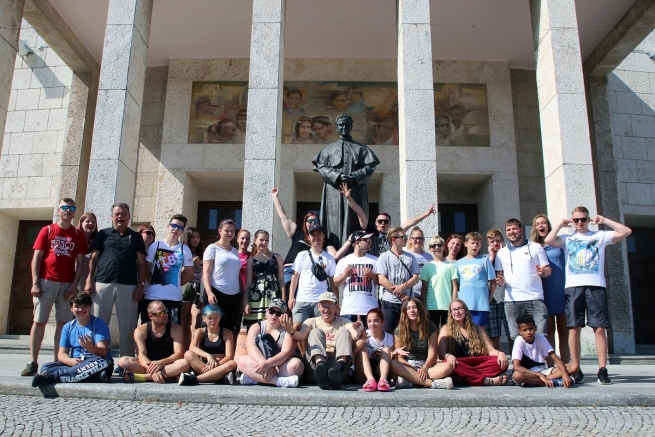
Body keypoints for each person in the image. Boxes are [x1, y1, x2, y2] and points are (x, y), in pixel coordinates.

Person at [544, 206, 632, 385]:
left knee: (599, 329)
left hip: (596, 286)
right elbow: (548, 239)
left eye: (583, 219)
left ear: (588, 219)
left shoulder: (599, 236)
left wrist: (604, 220)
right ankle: (576, 367)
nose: (579, 223)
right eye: (576, 220)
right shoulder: (568, 238)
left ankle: (602, 369)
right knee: (574, 329)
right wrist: (561, 224)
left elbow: (626, 231)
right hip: (573, 287)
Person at [23, 199, 88, 377]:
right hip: (46, 282)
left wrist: (75, 285)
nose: (68, 211)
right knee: (39, 321)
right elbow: (37, 258)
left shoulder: (77, 234)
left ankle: (57, 361)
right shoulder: (48, 230)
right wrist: (35, 282)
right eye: (65, 208)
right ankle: (33, 362)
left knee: (64, 323)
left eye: (72, 208)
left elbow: (81, 263)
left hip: (68, 285)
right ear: (58, 210)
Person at [86, 203, 147, 358]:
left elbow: (141, 263)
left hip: (129, 285)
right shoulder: (103, 234)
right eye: (117, 214)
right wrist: (89, 280)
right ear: (112, 216)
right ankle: (97, 359)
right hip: (102, 284)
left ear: (129, 216)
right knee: (99, 323)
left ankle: (126, 362)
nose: (120, 217)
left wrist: (141, 285)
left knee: (128, 326)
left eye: (124, 214)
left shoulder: (136, 237)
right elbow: (93, 259)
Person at [313, 113, 380, 247]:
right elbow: (321, 167)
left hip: (356, 190)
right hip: (334, 191)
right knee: (334, 222)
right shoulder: (328, 150)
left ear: (351, 126)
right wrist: (336, 176)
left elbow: (370, 166)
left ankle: (356, 249)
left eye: (347, 125)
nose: (344, 128)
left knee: (355, 219)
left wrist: (355, 176)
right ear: (337, 127)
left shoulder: (361, 149)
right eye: (341, 125)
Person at [281, 292, 364, 390]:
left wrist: (359, 328)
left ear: (336, 307)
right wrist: (290, 330)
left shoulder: (344, 322)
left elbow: (355, 335)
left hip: (337, 363)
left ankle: (338, 370)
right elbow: (300, 336)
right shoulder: (311, 321)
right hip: (315, 366)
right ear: (318, 307)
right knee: (315, 331)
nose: (326, 309)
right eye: (323, 306)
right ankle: (321, 367)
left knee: (344, 332)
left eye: (330, 306)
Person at [31, 292, 113, 387]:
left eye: (84, 306)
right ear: (71, 308)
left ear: (90, 307)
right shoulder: (68, 327)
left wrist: (90, 347)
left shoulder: (99, 324)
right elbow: (61, 353)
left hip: (96, 361)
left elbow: (103, 352)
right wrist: (69, 361)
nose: (80, 309)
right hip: (76, 363)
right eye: (77, 306)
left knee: (102, 364)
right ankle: (91, 376)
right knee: (46, 367)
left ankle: (53, 377)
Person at [271, 188, 338, 295]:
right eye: (309, 221)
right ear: (305, 223)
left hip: (309, 272)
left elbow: (334, 255)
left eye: (315, 221)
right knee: (289, 300)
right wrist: (275, 197)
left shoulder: (322, 239)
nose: (312, 223)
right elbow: (283, 216)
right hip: (290, 269)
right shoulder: (298, 232)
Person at [494, 219, 551, 343]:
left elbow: (547, 269)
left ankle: (541, 362)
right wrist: (501, 280)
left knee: (540, 336)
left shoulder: (535, 247)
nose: (511, 232)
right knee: (517, 338)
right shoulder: (501, 253)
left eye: (514, 229)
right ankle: (521, 363)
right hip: (512, 301)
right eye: (508, 230)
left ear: (520, 229)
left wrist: (543, 272)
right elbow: (500, 274)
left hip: (535, 298)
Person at [438, 299, 509, 386]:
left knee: (500, 362)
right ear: (450, 313)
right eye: (454, 309)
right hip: (459, 363)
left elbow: (490, 350)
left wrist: (500, 353)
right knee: (448, 363)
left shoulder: (477, 328)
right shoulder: (446, 329)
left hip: (476, 362)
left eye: (460, 308)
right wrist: (448, 356)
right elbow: (441, 354)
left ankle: (467, 378)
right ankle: (487, 381)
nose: (457, 312)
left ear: (465, 311)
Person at [118, 300, 189, 383]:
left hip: (168, 364)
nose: (165, 315)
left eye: (166, 311)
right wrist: (153, 369)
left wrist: (161, 363)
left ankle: (144, 377)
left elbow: (179, 354)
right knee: (123, 361)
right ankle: (169, 377)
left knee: (184, 363)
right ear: (151, 316)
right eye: (160, 313)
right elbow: (141, 355)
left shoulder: (175, 328)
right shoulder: (141, 330)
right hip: (147, 365)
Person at [237, 299, 304, 388]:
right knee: (242, 362)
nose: (274, 316)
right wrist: (264, 363)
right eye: (271, 311)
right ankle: (278, 381)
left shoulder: (288, 330)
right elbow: (251, 347)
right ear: (267, 311)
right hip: (260, 363)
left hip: (279, 365)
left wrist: (268, 364)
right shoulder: (257, 326)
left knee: (297, 365)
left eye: (278, 313)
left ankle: (255, 379)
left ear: (284, 316)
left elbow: (286, 353)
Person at [531, 214, 569, 364]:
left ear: (548, 225)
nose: (541, 226)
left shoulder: (558, 242)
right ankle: (551, 365)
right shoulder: (533, 247)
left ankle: (566, 366)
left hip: (561, 289)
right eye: (538, 223)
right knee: (548, 331)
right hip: (543, 291)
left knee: (564, 330)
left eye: (544, 223)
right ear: (535, 228)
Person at [390, 299, 454, 389]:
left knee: (448, 366)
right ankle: (433, 384)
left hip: (426, 366)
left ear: (420, 309)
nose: (412, 310)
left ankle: (410, 381)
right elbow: (400, 358)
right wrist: (413, 370)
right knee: (393, 363)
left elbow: (432, 352)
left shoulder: (430, 326)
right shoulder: (399, 330)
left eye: (415, 307)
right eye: (408, 308)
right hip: (408, 366)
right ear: (405, 312)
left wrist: (424, 368)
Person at [143, 214, 194, 325]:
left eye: (179, 227)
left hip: (174, 298)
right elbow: (146, 268)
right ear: (168, 227)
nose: (176, 229)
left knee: (172, 330)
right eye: (173, 225)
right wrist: (151, 281)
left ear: (183, 231)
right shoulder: (155, 245)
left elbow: (189, 272)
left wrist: (177, 281)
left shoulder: (185, 249)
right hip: (152, 296)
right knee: (149, 330)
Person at [289, 224, 338, 335]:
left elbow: (333, 283)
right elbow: (295, 276)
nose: (316, 237)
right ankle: (302, 353)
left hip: (321, 300)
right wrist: (291, 297)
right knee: (297, 327)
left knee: (319, 330)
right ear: (309, 237)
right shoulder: (301, 255)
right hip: (302, 298)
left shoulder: (329, 258)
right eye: (313, 235)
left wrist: (336, 302)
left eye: (319, 234)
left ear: (323, 236)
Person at [202, 219, 243, 347]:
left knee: (229, 328)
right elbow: (206, 272)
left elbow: (237, 275)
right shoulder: (212, 248)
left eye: (232, 231)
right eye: (226, 230)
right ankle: (208, 357)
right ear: (220, 231)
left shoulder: (235, 251)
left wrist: (241, 297)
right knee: (213, 327)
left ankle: (226, 359)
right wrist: (209, 292)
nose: (230, 233)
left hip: (234, 295)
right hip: (216, 292)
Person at [511, 313, 579, 388]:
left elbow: (556, 359)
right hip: (529, 373)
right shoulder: (519, 341)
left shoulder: (540, 338)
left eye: (531, 329)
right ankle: (554, 382)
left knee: (574, 366)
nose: (529, 332)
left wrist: (564, 374)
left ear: (535, 328)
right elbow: (516, 367)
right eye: (525, 330)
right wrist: (539, 375)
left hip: (544, 372)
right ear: (520, 331)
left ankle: (542, 381)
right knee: (517, 375)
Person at [178, 305, 237, 385]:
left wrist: (215, 366)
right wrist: (209, 356)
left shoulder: (227, 333)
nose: (213, 321)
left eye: (215, 318)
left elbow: (229, 356)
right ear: (204, 319)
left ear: (220, 318)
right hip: (204, 365)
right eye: (209, 318)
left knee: (232, 363)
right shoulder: (200, 331)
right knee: (188, 354)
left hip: (220, 365)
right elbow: (192, 347)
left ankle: (195, 379)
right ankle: (218, 378)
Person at [377, 227, 419, 333]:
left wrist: (403, 286)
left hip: (408, 302)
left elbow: (415, 278)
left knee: (408, 332)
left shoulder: (411, 257)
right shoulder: (384, 257)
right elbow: (381, 279)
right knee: (388, 332)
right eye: (403, 237)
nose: (406, 239)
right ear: (393, 239)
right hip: (389, 302)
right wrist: (401, 294)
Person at [334, 230, 378, 326]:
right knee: (349, 338)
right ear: (357, 242)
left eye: (370, 240)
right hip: (349, 309)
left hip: (370, 308)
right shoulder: (344, 261)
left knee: (369, 339)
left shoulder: (375, 260)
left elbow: (380, 281)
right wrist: (345, 274)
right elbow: (336, 283)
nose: (370, 242)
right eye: (366, 240)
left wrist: (372, 275)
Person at [243, 230, 285, 328]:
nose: (264, 243)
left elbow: (281, 280)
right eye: (261, 240)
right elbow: (249, 283)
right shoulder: (251, 260)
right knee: (254, 327)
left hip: (273, 296)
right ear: (255, 240)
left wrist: (283, 300)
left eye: (266, 240)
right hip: (256, 297)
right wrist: (245, 302)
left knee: (272, 326)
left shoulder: (276, 257)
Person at [455, 232, 496, 328]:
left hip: (480, 304)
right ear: (466, 244)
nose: (475, 246)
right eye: (472, 243)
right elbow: (455, 285)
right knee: (465, 331)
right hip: (464, 304)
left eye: (478, 243)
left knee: (480, 332)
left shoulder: (485, 260)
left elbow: (493, 281)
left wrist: (489, 299)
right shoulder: (459, 263)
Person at [364, 207, 436, 258]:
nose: (383, 223)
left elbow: (409, 223)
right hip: (375, 266)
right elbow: (361, 215)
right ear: (376, 223)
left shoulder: (392, 235)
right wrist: (351, 200)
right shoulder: (372, 234)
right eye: (380, 221)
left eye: (386, 222)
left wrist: (426, 214)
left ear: (389, 224)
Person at [420, 236, 458, 328]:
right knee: (433, 333)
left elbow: (455, 287)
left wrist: (453, 305)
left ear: (444, 247)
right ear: (430, 249)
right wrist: (424, 306)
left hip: (447, 306)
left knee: (448, 333)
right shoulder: (427, 267)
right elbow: (424, 288)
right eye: (433, 245)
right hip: (431, 306)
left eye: (439, 245)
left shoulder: (450, 266)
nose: (437, 247)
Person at [485, 229, 512, 352]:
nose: (495, 243)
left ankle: (515, 360)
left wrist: (501, 254)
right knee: (494, 333)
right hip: (492, 299)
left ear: (503, 240)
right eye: (492, 241)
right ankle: (497, 362)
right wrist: (492, 256)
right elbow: (484, 275)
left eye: (498, 240)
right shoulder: (485, 259)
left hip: (508, 298)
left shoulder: (509, 255)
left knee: (511, 332)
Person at [354, 308, 393, 392]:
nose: (372, 324)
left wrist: (394, 352)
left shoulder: (389, 337)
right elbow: (353, 352)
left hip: (380, 371)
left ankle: (383, 380)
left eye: (376, 321)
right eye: (369, 321)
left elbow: (392, 357)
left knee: (386, 349)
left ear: (382, 322)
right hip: (363, 373)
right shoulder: (365, 334)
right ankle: (370, 380)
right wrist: (363, 339)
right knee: (362, 350)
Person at [181, 226, 204, 348]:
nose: (196, 239)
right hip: (185, 286)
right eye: (193, 237)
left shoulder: (203, 254)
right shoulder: (182, 252)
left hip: (198, 289)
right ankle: (184, 352)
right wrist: (191, 264)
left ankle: (194, 350)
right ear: (188, 238)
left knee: (196, 321)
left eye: (198, 237)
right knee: (184, 323)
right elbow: (177, 273)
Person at [405, 227, 433, 301]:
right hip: (411, 294)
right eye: (416, 238)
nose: (418, 240)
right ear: (410, 240)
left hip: (427, 294)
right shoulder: (405, 255)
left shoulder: (429, 256)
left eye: (421, 238)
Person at [75, 211, 98, 291]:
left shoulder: (98, 241)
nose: (91, 223)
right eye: (87, 221)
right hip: (74, 281)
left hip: (91, 282)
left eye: (93, 222)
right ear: (81, 223)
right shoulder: (75, 239)